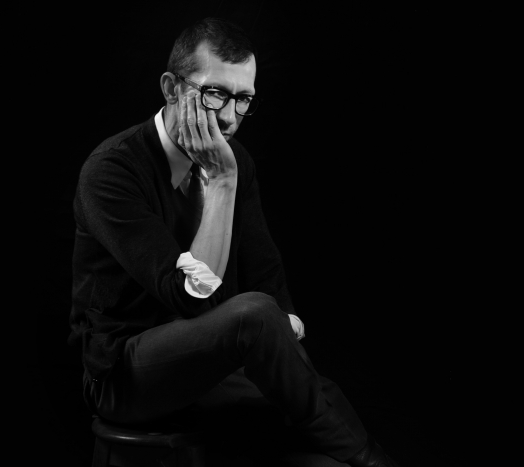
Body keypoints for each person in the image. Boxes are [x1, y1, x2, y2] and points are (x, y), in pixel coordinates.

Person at [68, 17, 397, 467]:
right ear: (172, 89)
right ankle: (372, 460)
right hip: (124, 373)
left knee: (313, 403)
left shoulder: (236, 158)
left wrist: (282, 335)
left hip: (210, 359)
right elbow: (188, 296)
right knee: (255, 316)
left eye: (243, 99)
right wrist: (222, 181)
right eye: (215, 93)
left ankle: (361, 458)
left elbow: (265, 272)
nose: (228, 117)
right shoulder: (112, 170)